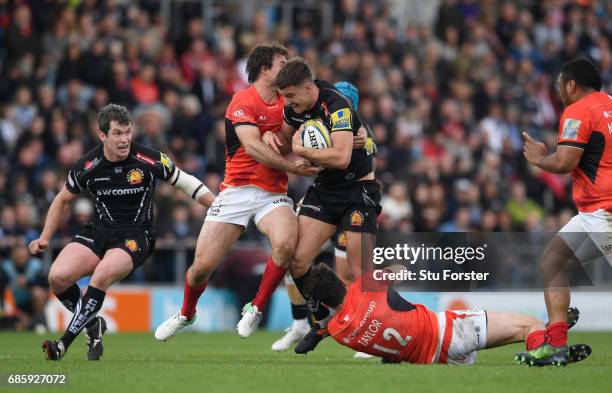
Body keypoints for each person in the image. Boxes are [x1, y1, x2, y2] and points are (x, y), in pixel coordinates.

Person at [154, 43, 319, 342]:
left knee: (284, 245)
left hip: (273, 194)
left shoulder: (288, 101)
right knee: (200, 269)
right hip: (236, 192)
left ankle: (255, 307)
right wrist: (292, 167)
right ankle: (186, 313)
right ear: (265, 69)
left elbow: (289, 136)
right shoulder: (242, 100)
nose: (288, 66)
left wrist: (284, 140)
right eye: (282, 62)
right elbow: (253, 148)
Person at [30, 103, 215, 361]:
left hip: (136, 235)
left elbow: (185, 181)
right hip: (100, 230)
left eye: (128, 132)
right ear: (102, 135)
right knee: (57, 278)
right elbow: (63, 200)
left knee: (102, 275)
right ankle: (92, 324)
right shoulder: (87, 165)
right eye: (117, 133)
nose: (124, 139)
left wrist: (218, 207)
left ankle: (62, 344)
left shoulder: (148, 158)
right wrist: (45, 237)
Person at [259, 58, 381, 354]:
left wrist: (302, 150)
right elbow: (285, 142)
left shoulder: (337, 107)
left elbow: (340, 158)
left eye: (290, 96)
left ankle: (372, 335)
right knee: (296, 259)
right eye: (283, 96)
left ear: (309, 87)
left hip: (358, 191)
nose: (286, 102)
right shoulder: (293, 108)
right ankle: (322, 321)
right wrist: (269, 136)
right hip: (325, 191)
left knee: (360, 269)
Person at [302, 264, 591, 366]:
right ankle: (552, 338)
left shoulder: (339, 332)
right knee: (530, 325)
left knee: (523, 329)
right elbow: (402, 270)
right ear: (340, 283)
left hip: (437, 361)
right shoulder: (363, 286)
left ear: (326, 304)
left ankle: (550, 335)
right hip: (449, 330)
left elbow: (320, 331)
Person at [522, 58, 612, 366]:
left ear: (571, 85)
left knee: (552, 262)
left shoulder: (577, 110)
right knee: (554, 261)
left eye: (561, 84)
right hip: (602, 211)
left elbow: (565, 162)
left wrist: (539, 159)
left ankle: (557, 345)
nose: (559, 91)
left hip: (604, 210)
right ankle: (556, 343)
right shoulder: (609, 106)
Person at [1, 244, 48, 331]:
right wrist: (17, 313)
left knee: (38, 293)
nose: (21, 260)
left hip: (32, 303)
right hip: (13, 304)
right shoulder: (5, 267)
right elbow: (2, 291)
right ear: (13, 256)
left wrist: (28, 283)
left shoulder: (36, 266)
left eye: (23, 257)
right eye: (18, 257)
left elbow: (45, 287)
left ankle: (39, 322)